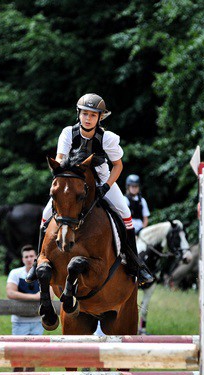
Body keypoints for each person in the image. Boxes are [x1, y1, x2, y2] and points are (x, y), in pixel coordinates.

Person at [27, 93, 153, 286]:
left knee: (126, 213)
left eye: (93, 115)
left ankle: (135, 263)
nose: (88, 118)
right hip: (73, 178)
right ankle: (39, 259)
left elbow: (118, 165)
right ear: (79, 114)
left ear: (100, 117)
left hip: (101, 177)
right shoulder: (68, 133)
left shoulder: (107, 138)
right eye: (85, 113)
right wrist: (64, 175)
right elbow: (60, 157)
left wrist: (107, 186)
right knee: (45, 214)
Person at [7, 245, 42, 372]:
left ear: (36, 258)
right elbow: (10, 293)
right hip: (19, 320)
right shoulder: (16, 273)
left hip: (38, 320)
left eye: (31, 256)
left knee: (33, 356)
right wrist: (35, 297)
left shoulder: (42, 272)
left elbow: (50, 294)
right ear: (22, 259)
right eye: (26, 257)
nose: (29, 259)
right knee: (18, 354)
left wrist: (26, 297)